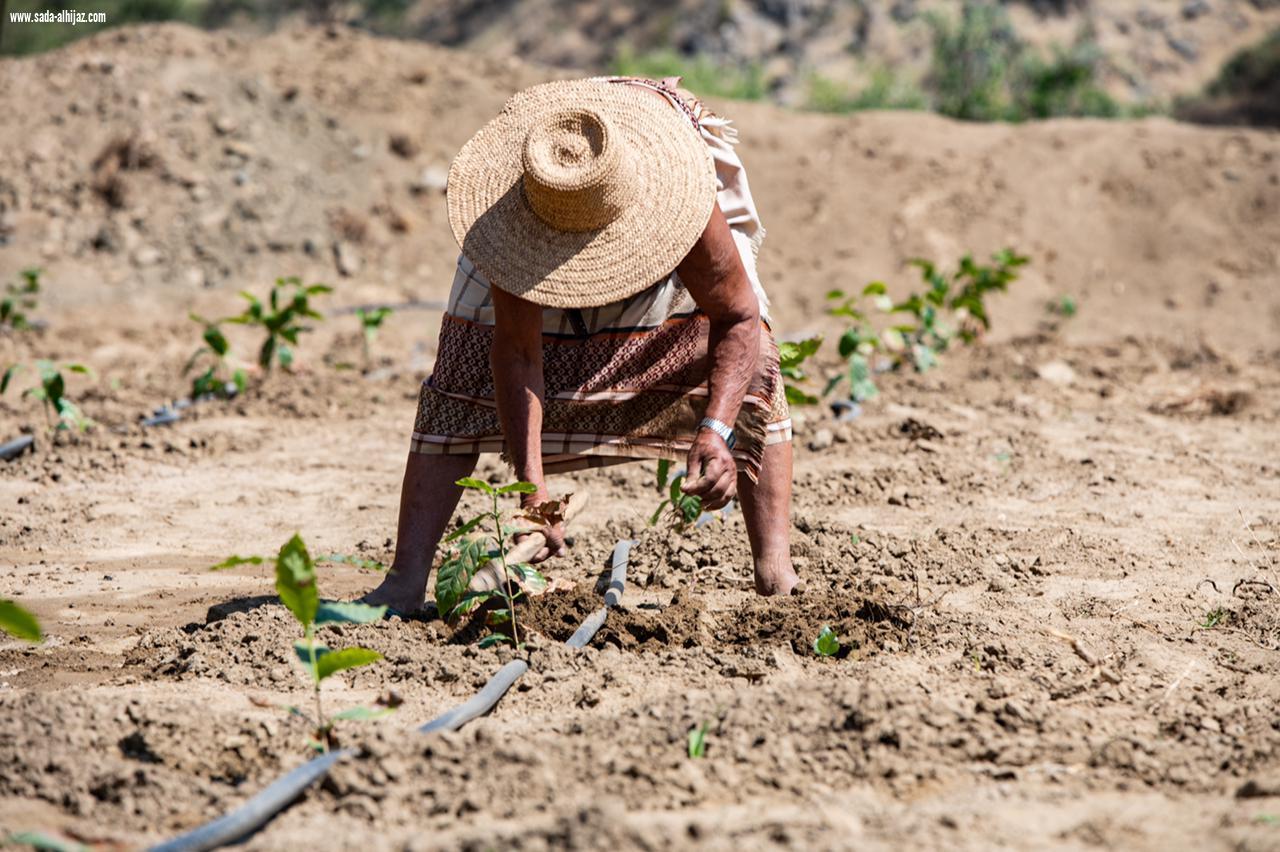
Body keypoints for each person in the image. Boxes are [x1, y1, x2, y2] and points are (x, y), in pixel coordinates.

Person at [364, 75, 798, 614]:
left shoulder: (679, 195)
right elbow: (518, 353)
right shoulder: (523, 212)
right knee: (463, 367)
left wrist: (715, 431)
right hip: (544, 194)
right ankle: (405, 582)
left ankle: (776, 571)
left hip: (651, 160)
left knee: (757, 360)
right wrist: (532, 494)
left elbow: (737, 314)